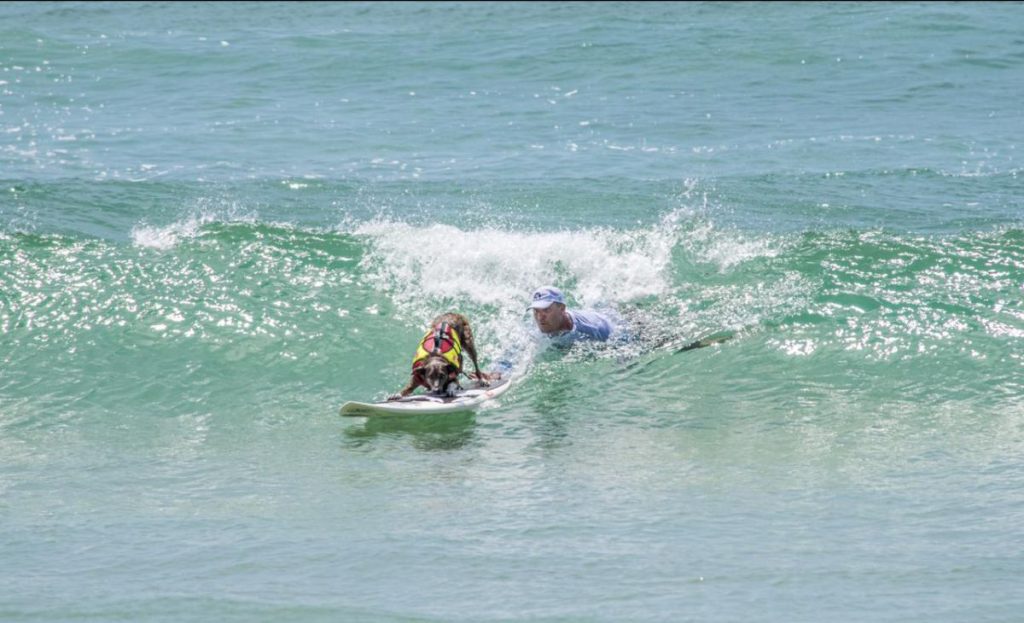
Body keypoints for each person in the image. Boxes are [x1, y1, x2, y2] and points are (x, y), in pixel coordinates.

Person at [528, 286, 617, 342]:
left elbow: (620, 338)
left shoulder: (592, 327)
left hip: (612, 317)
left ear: (562, 308)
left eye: (546, 310)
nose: (540, 317)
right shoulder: (531, 332)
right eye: (536, 311)